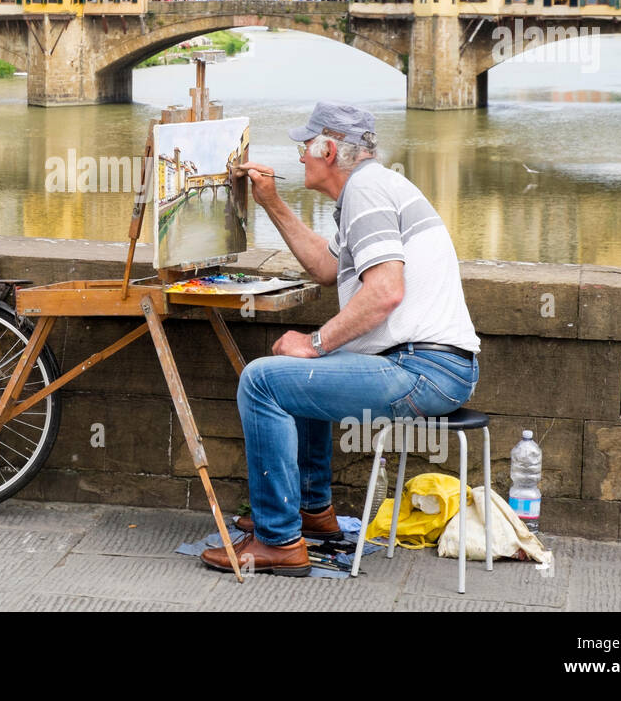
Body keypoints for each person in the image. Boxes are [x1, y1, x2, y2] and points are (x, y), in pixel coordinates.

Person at [200, 101, 480, 575]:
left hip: (424, 370)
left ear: (327, 148)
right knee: (295, 375)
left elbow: (386, 291)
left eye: (305, 146)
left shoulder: (367, 192)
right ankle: (311, 513)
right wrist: (271, 202)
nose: (299, 156)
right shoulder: (369, 188)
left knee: (262, 381)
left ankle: (278, 540)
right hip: (433, 366)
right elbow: (329, 268)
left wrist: (315, 343)